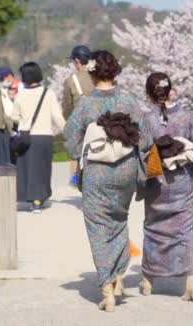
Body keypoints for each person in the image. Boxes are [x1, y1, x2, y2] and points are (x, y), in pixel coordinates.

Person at [63, 50, 152, 313]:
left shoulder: (86, 104)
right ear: (115, 72)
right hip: (124, 171)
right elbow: (145, 139)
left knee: (98, 227)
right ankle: (118, 276)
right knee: (118, 220)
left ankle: (106, 288)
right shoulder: (129, 102)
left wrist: (82, 153)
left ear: (92, 73)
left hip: (97, 173)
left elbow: (69, 136)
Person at [139, 72, 193, 303]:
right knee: (186, 230)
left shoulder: (147, 119)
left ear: (149, 94)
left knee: (154, 229)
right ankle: (191, 281)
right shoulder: (187, 117)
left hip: (157, 183)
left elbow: (140, 152)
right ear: (171, 90)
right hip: (183, 181)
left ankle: (148, 280)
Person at [12, 62, 66, 213]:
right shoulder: (48, 93)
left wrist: (23, 121)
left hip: (26, 136)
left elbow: (14, 116)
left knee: (27, 168)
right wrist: (66, 130)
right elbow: (57, 116)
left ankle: (29, 198)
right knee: (42, 168)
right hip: (44, 136)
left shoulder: (20, 95)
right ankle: (39, 199)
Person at [62, 45, 95, 186]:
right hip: (101, 123)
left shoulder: (71, 80)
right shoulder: (98, 75)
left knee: (76, 154)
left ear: (77, 61)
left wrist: (69, 120)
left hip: (80, 124)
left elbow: (67, 106)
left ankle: (77, 180)